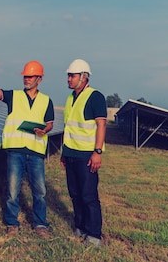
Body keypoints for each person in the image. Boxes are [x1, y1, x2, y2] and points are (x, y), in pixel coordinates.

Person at [0, 60, 54, 238]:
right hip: (16, 150)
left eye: (30, 76)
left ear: (39, 79)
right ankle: (12, 223)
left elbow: (50, 123)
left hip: (36, 151)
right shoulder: (14, 96)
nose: (26, 79)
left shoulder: (46, 101)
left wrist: (44, 130)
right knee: (12, 190)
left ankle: (40, 224)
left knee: (39, 191)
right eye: (25, 76)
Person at [60, 59, 107, 247]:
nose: (69, 79)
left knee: (88, 196)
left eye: (72, 75)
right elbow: (69, 128)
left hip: (86, 156)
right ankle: (80, 227)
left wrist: (97, 152)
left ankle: (94, 234)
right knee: (75, 194)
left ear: (84, 77)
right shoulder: (71, 98)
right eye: (68, 76)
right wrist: (64, 153)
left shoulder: (95, 97)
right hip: (71, 155)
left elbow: (101, 125)